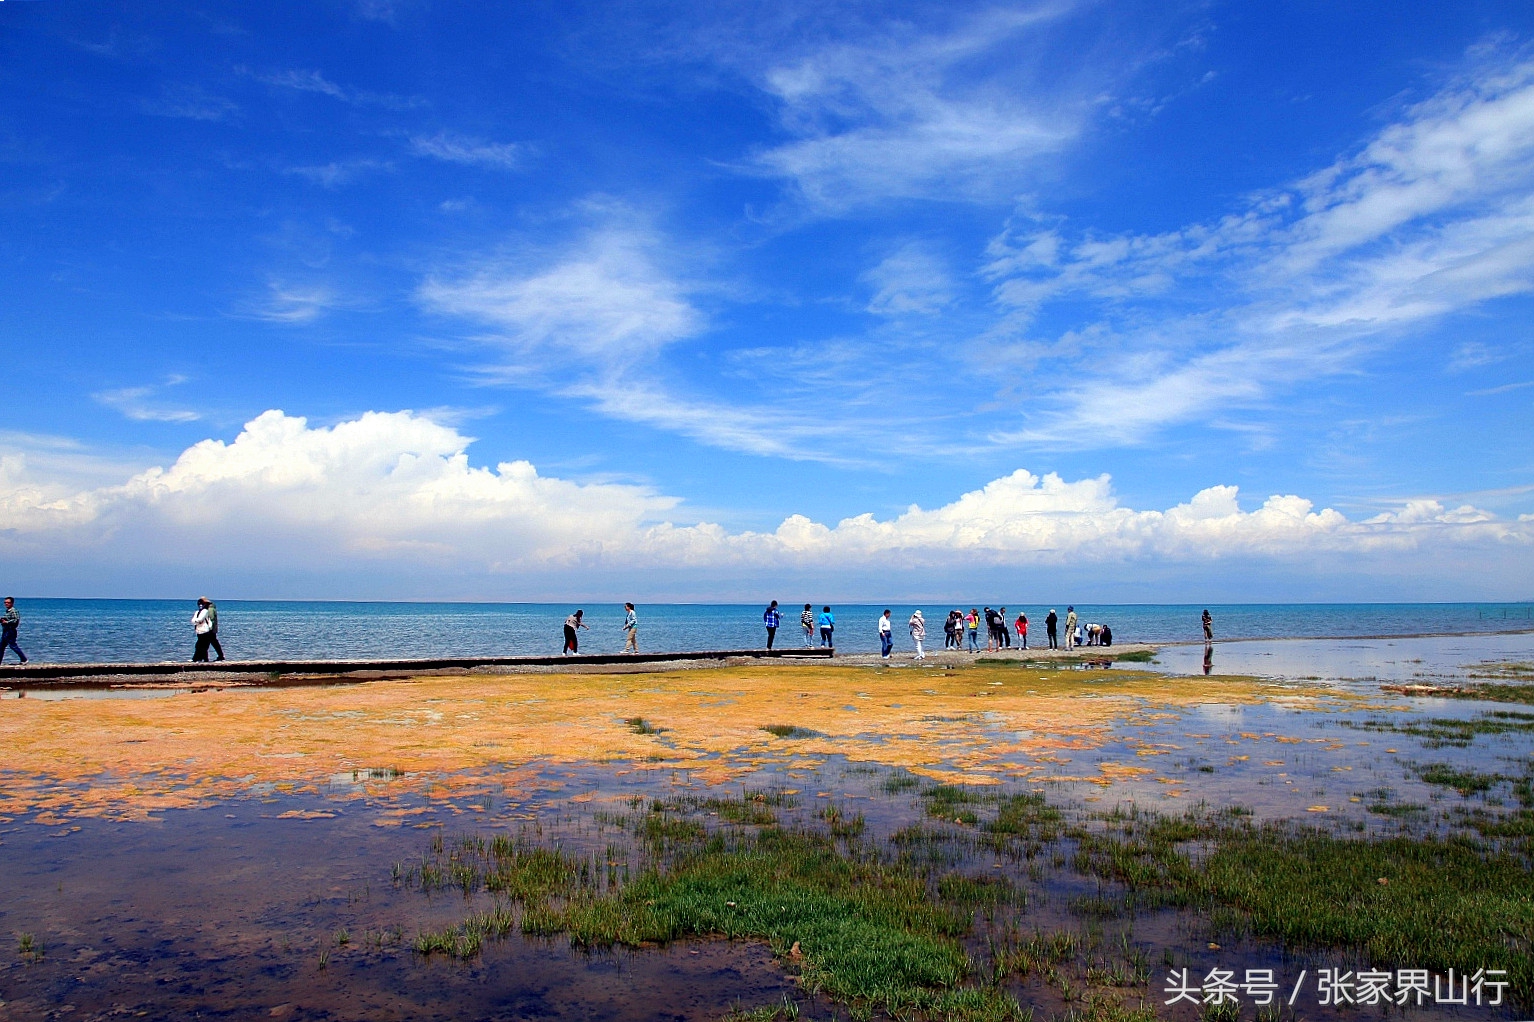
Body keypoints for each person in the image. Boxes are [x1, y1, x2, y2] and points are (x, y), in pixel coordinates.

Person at [191, 598, 219, 662]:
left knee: (202, 646)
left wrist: (196, 621)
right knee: (201, 646)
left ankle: (199, 659)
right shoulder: (198, 612)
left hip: (205, 631)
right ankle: (201, 659)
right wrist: (196, 621)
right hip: (200, 631)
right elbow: (193, 620)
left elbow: (200, 619)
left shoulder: (206, 611)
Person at [1, 597, 27, 664]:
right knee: (1, 647)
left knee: (13, 645)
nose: (6, 604)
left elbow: (16, 619)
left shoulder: (14, 611)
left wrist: (7, 622)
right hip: (5, 631)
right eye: (5, 602)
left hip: (10, 631)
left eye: (8, 602)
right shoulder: (8, 611)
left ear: (12, 603)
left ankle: (24, 659)